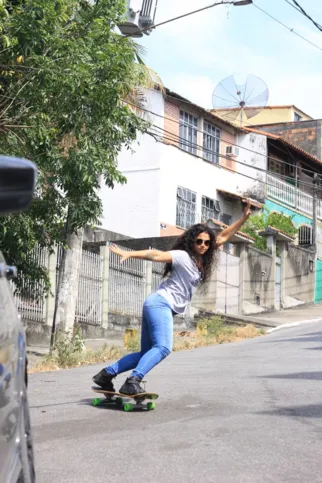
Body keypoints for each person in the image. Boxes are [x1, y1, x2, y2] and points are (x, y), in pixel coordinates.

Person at [92, 201, 252, 395]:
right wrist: (130, 253)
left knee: (146, 353)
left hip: (155, 303)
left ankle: (106, 375)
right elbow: (156, 255)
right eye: (199, 241)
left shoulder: (201, 258)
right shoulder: (182, 256)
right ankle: (133, 380)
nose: (203, 245)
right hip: (160, 304)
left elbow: (224, 236)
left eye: (207, 242)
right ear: (191, 241)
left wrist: (244, 218)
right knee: (164, 347)